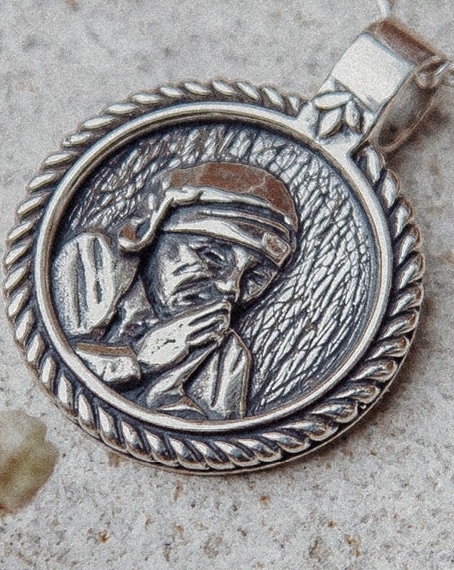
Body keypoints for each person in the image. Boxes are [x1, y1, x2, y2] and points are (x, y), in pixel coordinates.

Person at [53, 160, 300, 420]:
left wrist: (166, 387)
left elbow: (206, 441)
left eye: (254, 276)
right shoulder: (90, 265)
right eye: (212, 256)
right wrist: (138, 359)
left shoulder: (228, 356)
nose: (231, 289)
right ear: (153, 234)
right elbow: (59, 361)